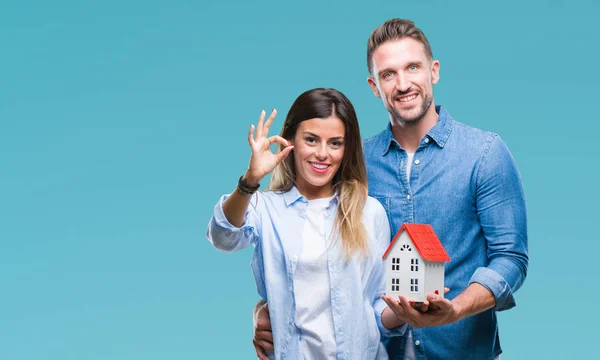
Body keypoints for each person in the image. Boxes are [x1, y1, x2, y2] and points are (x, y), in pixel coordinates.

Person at [253, 19, 529, 360]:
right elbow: (312, 246)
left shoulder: (485, 154)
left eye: (412, 67)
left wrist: (455, 309)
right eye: (388, 74)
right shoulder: (354, 163)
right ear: (374, 85)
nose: (403, 84)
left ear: (434, 71)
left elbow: (511, 259)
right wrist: (268, 309)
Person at [206, 88, 403, 359]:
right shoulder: (265, 208)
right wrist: (250, 180)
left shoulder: (370, 212)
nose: (322, 154)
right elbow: (222, 236)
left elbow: (378, 308)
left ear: (347, 149)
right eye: (311, 140)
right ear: (290, 141)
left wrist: (408, 312)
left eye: (335, 143)